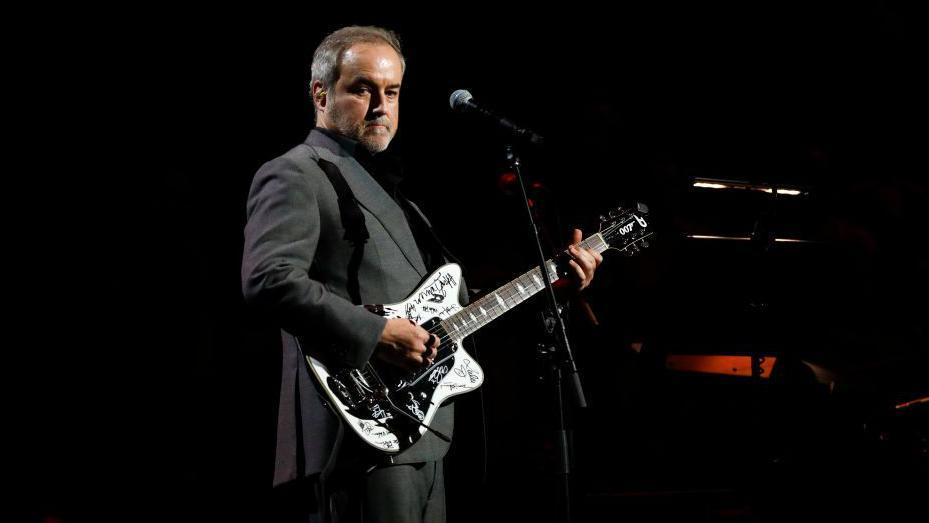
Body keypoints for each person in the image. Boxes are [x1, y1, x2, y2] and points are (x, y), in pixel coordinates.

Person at [241, 25, 602, 523]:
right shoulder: (296, 172)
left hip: (421, 433)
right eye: (362, 88)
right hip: (354, 436)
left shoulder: (396, 197)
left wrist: (552, 286)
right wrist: (378, 333)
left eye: (391, 92)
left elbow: (451, 312)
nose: (380, 106)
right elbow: (269, 279)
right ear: (321, 94)